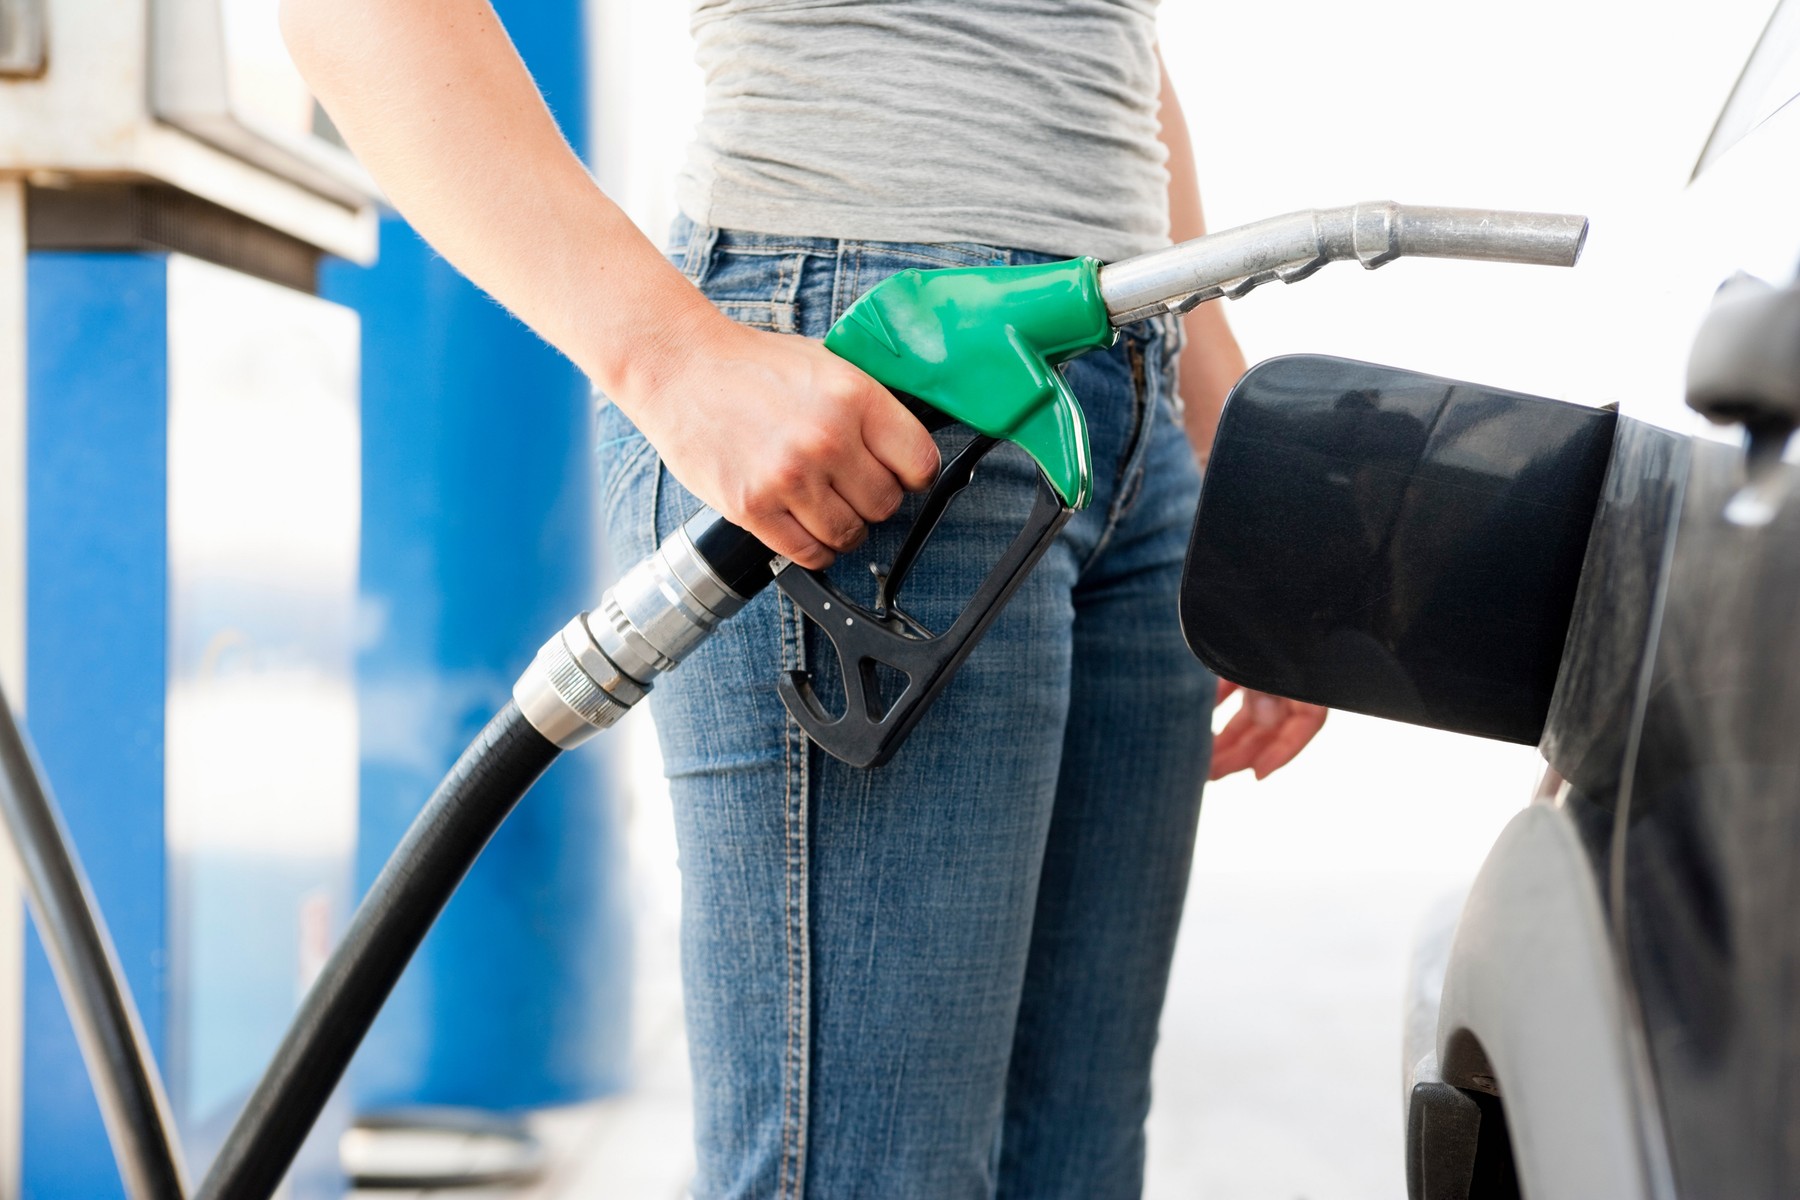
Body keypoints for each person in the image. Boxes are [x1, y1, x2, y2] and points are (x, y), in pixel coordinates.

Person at [282, 2, 1328, 1195]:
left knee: (1073, 1166)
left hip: (1125, 381)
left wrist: (1224, 418)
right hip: (876, 381)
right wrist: (669, 359)